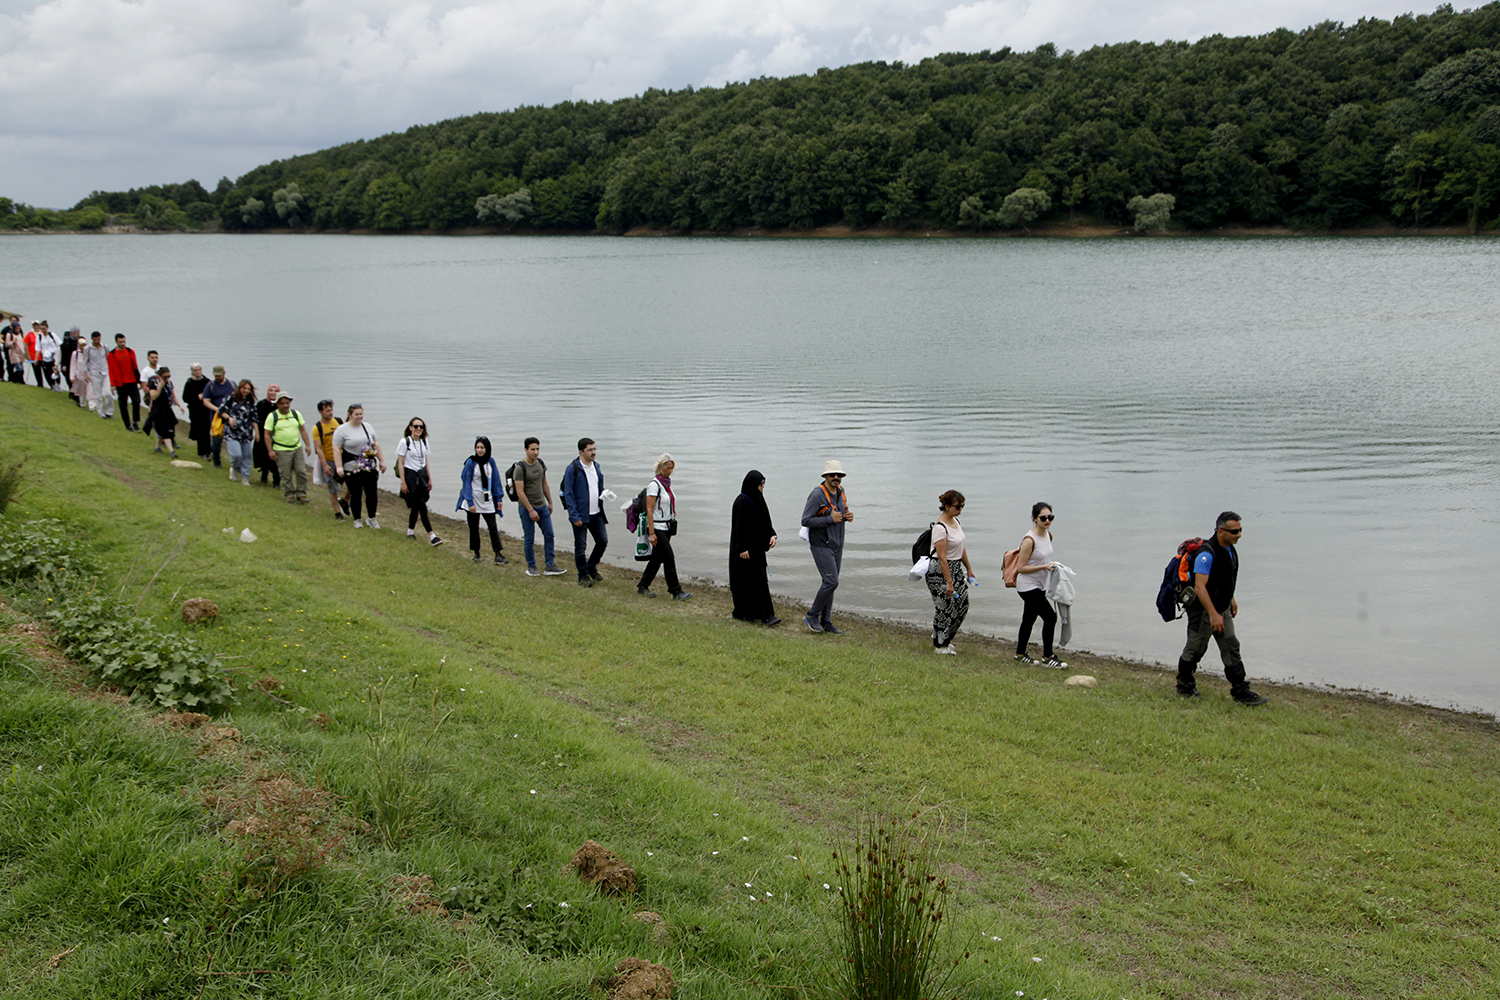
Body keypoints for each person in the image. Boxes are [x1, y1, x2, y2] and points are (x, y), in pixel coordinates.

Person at [1176, 512, 1266, 706]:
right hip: (1204, 612)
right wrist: (1213, 614)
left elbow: (1223, 579)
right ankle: (1184, 686)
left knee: (1231, 648)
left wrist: (1231, 598)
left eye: (1240, 530)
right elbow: (1200, 587)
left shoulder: (1230, 550)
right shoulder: (1206, 555)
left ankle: (1241, 692)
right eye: (1234, 531)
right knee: (1195, 650)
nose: (1239, 534)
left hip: (1222, 609)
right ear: (1220, 531)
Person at [801, 460, 853, 634]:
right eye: (832, 475)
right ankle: (812, 615)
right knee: (831, 581)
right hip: (821, 544)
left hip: (837, 543)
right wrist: (830, 519)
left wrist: (846, 516)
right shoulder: (817, 494)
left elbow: (838, 515)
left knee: (830, 583)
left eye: (839, 475)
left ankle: (826, 622)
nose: (836, 478)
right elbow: (806, 520)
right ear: (825, 476)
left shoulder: (841, 492)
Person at [1013, 502, 1067, 668]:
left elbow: (1043, 558)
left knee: (1028, 619)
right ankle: (1047, 657)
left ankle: (1020, 654)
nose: (1047, 520)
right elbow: (1021, 568)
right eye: (1043, 518)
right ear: (1035, 518)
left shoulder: (1048, 535)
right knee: (1050, 617)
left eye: (1050, 517)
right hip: (1028, 586)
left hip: (1040, 585)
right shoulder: (1029, 540)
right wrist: (1044, 566)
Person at [636, 454, 691, 601]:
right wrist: (651, 533)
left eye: (672, 468)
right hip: (657, 527)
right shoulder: (654, 485)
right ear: (660, 468)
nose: (670, 471)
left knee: (657, 558)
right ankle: (675, 591)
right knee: (669, 558)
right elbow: (649, 509)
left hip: (666, 526)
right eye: (668, 468)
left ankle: (643, 585)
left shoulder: (667, 484)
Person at [927, 490, 975, 654]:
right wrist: (948, 582)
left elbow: (960, 549)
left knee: (962, 604)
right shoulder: (940, 528)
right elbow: (942, 557)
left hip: (956, 568)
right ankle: (940, 644)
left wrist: (969, 569)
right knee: (944, 606)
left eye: (962, 506)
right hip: (939, 570)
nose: (960, 509)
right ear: (946, 506)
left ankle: (946, 637)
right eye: (957, 506)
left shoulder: (956, 522)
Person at [729, 469, 779, 625]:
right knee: (746, 581)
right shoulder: (741, 501)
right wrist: (741, 548)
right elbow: (738, 527)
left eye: (763, 484)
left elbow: (765, 520)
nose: (762, 487)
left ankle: (763, 614)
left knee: (760, 579)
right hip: (744, 550)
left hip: (757, 548)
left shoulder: (759, 499)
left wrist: (771, 535)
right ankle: (756, 614)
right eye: (761, 484)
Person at [561, 437, 609, 587]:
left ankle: (591, 566)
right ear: (581, 452)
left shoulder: (596, 466)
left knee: (602, 541)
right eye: (590, 450)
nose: (593, 452)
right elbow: (568, 493)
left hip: (597, 513)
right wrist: (574, 515)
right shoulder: (573, 468)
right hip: (581, 514)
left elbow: (596, 487)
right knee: (580, 546)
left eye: (594, 449)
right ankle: (583, 575)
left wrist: (605, 494)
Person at [515, 437, 565, 576]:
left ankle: (550, 565)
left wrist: (550, 502)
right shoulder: (520, 468)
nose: (535, 452)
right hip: (527, 508)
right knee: (529, 538)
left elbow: (544, 483)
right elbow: (520, 491)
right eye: (532, 449)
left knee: (549, 535)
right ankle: (531, 566)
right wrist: (530, 510)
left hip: (542, 506)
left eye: (537, 449)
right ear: (526, 450)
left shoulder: (540, 464)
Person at [332, 404, 385, 528]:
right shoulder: (342, 430)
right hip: (352, 467)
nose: (359, 416)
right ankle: (357, 519)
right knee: (355, 493)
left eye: (361, 413)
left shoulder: (368, 427)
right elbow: (336, 449)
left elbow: (376, 445)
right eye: (356, 414)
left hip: (369, 465)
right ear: (350, 415)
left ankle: (372, 518)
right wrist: (339, 467)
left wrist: (382, 461)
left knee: (371, 493)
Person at [457, 437, 507, 563]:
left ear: (487, 448)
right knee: (474, 528)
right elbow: (466, 482)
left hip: (487, 500)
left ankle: (498, 553)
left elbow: (496, 480)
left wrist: (499, 497)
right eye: (477, 447)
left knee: (492, 526)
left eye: (482, 448)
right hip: (474, 500)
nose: (479, 450)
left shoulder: (491, 462)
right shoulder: (470, 462)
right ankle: (476, 553)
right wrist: (470, 502)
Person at [396, 417, 442, 545]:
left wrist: (429, 479)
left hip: (422, 478)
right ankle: (432, 536)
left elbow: (425, 461)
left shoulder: (424, 442)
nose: (418, 429)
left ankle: (410, 532)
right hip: (410, 478)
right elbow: (400, 462)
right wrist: (403, 482)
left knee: (416, 507)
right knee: (422, 506)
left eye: (421, 427)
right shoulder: (405, 442)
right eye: (415, 426)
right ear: (410, 427)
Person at [262, 390, 312, 504]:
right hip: (281, 450)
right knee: (285, 474)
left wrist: (308, 445)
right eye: (282, 403)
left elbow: (303, 430)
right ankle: (289, 494)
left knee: (301, 471)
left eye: (287, 403)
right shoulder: (272, 416)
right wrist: (270, 450)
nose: (285, 405)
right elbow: (267, 434)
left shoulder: (296, 414)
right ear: (277, 404)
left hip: (296, 448)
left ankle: (301, 494)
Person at [311, 399, 350, 520]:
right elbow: (318, 448)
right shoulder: (317, 428)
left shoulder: (339, 422)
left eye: (331, 410)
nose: (330, 413)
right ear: (321, 412)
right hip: (329, 459)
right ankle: (337, 513)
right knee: (332, 486)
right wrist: (324, 465)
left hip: (343, 457)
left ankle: (344, 501)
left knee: (353, 483)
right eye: (327, 411)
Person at [220, 379, 259, 484]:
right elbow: (222, 411)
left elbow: (254, 419)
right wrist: (228, 418)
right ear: (240, 388)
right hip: (232, 432)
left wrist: (257, 432)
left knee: (247, 456)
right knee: (237, 454)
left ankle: (245, 478)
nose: (246, 391)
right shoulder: (230, 398)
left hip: (246, 433)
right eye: (244, 388)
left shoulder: (250, 402)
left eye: (248, 389)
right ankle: (234, 468)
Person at [200, 365, 234, 467]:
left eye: (219, 375)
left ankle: (234, 462)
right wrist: (218, 410)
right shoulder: (210, 385)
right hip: (217, 417)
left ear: (224, 373)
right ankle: (216, 460)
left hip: (230, 416)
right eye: (216, 376)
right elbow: (206, 401)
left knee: (232, 439)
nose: (217, 377)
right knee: (217, 440)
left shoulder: (231, 384)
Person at [107, 333, 142, 431]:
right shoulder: (112, 354)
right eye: (120, 342)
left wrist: (139, 380)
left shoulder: (130, 351)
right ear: (116, 342)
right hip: (121, 383)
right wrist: (112, 384)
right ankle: (128, 425)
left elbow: (135, 365)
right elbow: (111, 370)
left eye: (123, 342)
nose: (122, 344)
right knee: (123, 405)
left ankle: (135, 422)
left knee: (136, 401)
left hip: (132, 381)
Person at [147, 365, 181, 457]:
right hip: (157, 410)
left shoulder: (169, 383)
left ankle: (157, 447)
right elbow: (153, 397)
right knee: (164, 431)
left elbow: (173, 396)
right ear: (160, 376)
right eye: (165, 377)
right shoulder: (153, 382)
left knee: (166, 429)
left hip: (167, 409)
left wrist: (179, 406)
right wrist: (159, 387)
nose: (167, 378)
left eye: (168, 376)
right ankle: (171, 451)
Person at [254, 383, 282, 487]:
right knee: (263, 456)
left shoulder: (280, 406)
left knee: (275, 459)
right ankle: (264, 476)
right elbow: (255, 419)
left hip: (276, 435)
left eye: (275, 391)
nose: (273, 393)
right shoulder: (261, 404)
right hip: (263, 433)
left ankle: (276, 480)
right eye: (271, 390)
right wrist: (257, 432)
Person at [182, 364, 212, 459]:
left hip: (206, 410)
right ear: (192, 371)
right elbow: (185, 398)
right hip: (195, 410)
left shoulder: (207, 381)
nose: (198, 372)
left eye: (199, 370)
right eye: (195, 370)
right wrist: (197, 397)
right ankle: (202, 452)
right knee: (199, 430)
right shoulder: (189, 382)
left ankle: (207, 452)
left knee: (206, 430)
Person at [81, 332, 111, 417]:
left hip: (105, 372)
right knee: (98, 395)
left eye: (98, 339)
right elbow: (85, 362)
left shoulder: (105, 347)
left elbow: (108, 359)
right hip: (94, 373)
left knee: (108, 393)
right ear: (92, 339)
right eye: (95, 340)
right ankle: (101, 413)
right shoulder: (88, 349)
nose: (97, 341)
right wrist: (85, 374)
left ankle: (109, 412)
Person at [139, 350, 160, 436]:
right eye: (152, 358)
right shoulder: (145, 371)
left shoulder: (160, 369)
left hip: (161, 396)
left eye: (156, 357)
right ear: (148, 358)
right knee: (155, 416)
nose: (154, 359)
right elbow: (144, 387)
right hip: (152, 396)